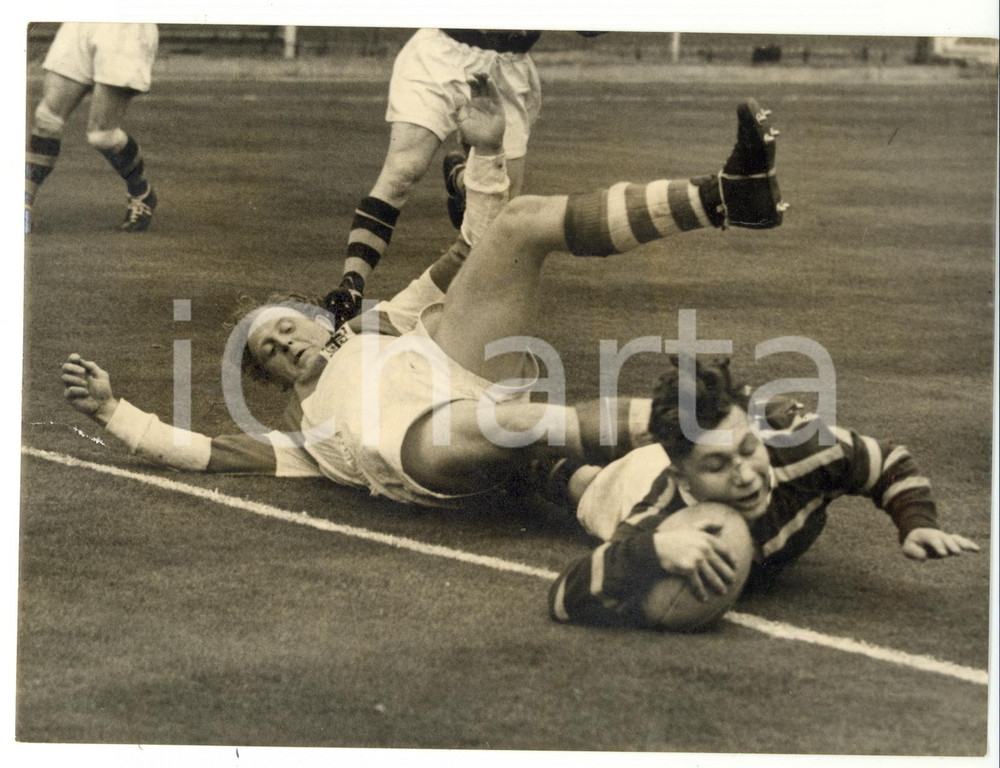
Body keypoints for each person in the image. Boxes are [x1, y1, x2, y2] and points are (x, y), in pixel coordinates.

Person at [61, 77, 786, 511]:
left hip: (465, 372)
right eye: (270, 353)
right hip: (417, 449)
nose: (284, 344)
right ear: (275, 378)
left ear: (317, 318)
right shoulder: (304, 432)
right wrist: (116, 413)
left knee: (522, 224)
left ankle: (726, 198)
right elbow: (205, 453)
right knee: (526, 429)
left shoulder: (381, 322)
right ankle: (721, 430)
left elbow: (473, 244)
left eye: (285, 327)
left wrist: (487, 153)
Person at [547, 358, 980, 629]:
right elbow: (564, 596)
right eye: (717, 466)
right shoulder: (663, 508)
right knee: (584, 485)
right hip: (636, 478)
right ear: (683, 478)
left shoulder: (803, 447)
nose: (745, 476)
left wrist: (916, 522)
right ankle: (539, 469)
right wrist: (652, 550)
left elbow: (886, 462)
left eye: (747, 449)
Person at [325, 29, 604, 327]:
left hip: (509, 65)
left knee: (502, 212)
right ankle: (351, 287)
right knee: (403, 171)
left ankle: (464, 182)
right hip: (443, 51)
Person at [25, 22, 159, 235]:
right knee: (46, 120)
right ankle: (22, 204)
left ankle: (141, 193)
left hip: (127, 25)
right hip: (83, 19)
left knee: (102, 135)